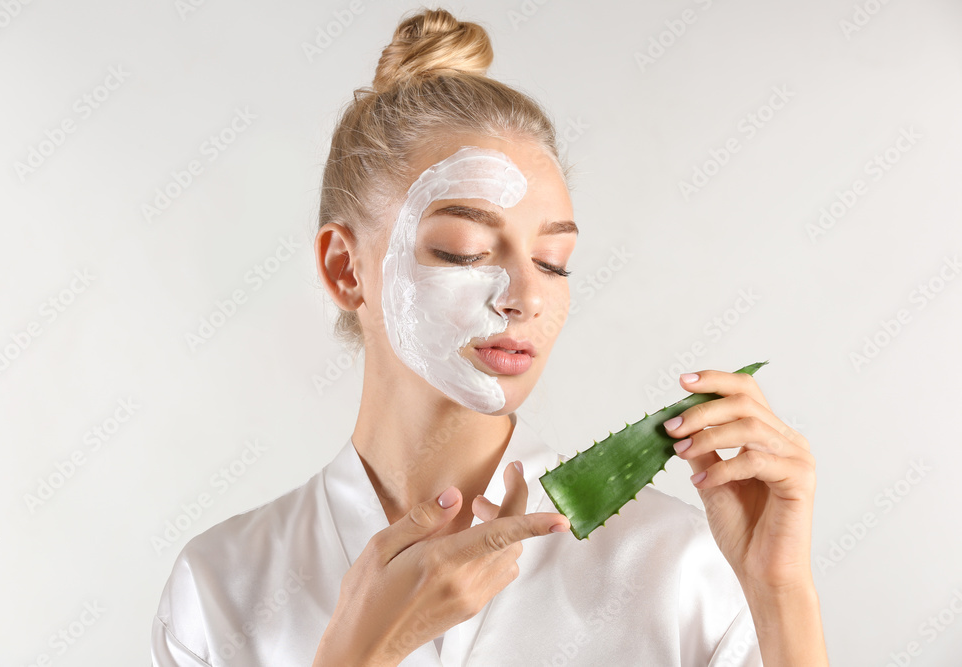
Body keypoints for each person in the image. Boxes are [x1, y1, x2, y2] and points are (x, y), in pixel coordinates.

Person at [151, 7, 828, 666]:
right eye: (466, 250)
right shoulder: (221, 587)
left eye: (552, 261)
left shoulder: (683, 566)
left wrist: (780, 596)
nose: (527, 296)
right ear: (344, 268)